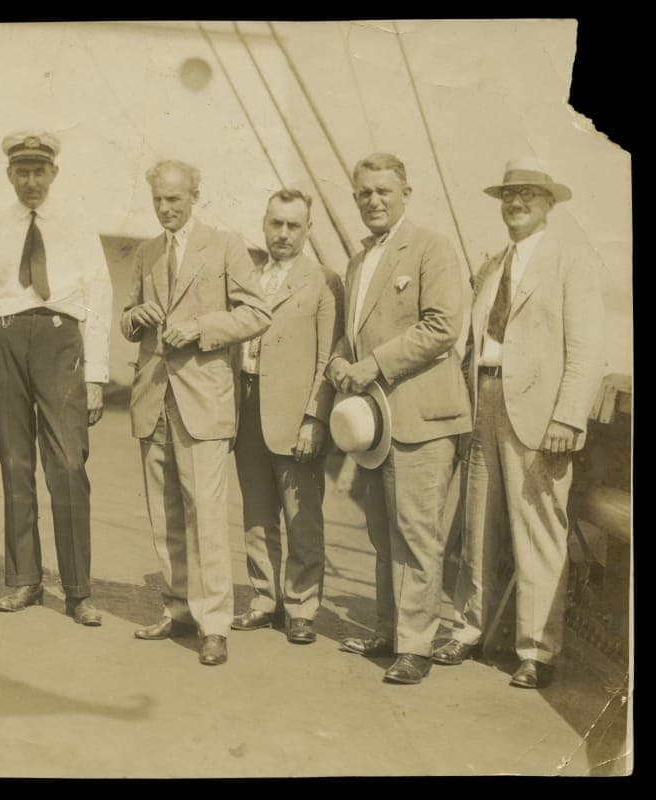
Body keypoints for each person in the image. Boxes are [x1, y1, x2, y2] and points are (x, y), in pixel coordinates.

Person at [432, 158, 605, 688]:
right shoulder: (492, 267)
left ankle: (536, 650)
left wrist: (567, 416)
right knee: (477, 524)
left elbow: (586, 348)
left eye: (529, 194)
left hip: (539, 414)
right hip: (482, 401)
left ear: (549, 203)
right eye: (509, 195)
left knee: (539, 528)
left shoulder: (571, 261)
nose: (517, 203)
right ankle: (469, 628)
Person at [327, 152, 471, 684]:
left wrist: (372, 364)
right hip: (376, 425)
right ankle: (388, 630)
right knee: (382, 531)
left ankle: (415, 646)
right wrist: (339, 361)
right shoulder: (357, 261)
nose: (374, 200)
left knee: (416, 533)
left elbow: (443, 326)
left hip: (423, 419)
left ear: (405, 193)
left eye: (384, 191)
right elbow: (351, 335)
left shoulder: (432, 247)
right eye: (364, 192)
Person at [124, 159, 271, 666]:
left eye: (174, 199)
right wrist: (135, 316)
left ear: (194, 196)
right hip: (153, 399)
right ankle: (178, 609)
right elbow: (126, 318)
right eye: (158, 200)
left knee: (205, 515)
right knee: (164, 513)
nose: (165, 208)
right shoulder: (145, 252)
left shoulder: (225, 245)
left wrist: (201, 327)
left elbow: (257, 312)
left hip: (204, 402)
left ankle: (214, 625)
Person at [0, 131, 112, 626]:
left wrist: (96, 375)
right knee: (15, 464)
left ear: (54, 173)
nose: (31, 181)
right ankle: (24, 579)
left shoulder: (77, 225)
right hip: (4, 341)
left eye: (39, 172)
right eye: (22, 172)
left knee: (67, 464)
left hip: (60, 342)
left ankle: (78, 591)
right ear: (9, 175)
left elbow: (100, 298)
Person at [232, 189, 344, 645]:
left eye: (293, 225)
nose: (283, 233)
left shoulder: (324, 281)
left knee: (302, 517)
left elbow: (328, 356)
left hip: (296, 415)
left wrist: (315, 418)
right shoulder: (248, 277)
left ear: (308, 230)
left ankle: (301, 606)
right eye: (275, 223)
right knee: (257, 513)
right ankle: (264, 599)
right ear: (264, 224)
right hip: (247, 407)